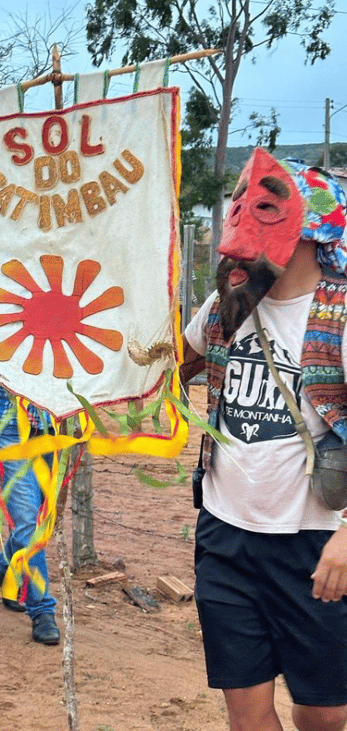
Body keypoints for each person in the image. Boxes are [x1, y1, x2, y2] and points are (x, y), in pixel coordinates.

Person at [182, 149, 347, 731]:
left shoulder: (341, 314)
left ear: (306, 224)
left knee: (325, 716)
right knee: (247, 719)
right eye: (238, 205)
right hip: (225, 537)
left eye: (264, 207)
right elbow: (168, 367)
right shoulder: (227, 304)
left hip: (315, 544)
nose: (239, 222)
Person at [0, 384, 60, 646]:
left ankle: (5, 566)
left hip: (51, 427)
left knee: (32, 520)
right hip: (11, 431)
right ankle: (42, 610)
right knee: (29, 524)